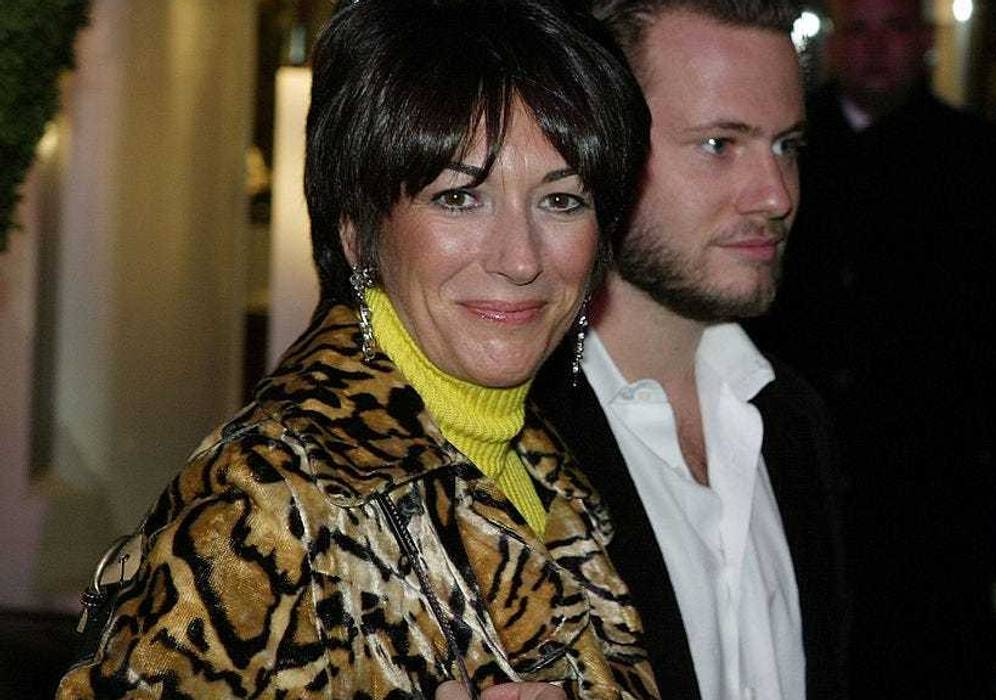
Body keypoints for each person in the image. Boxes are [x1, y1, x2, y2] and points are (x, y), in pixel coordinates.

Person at [55, 0, 656, 697]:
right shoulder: (269, 498)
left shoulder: (550, 470)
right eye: (459, 198)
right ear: (356, 231)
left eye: (561, 201)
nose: (521, 259)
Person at [532, 2, 848, 698]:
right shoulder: (511, 437)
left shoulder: (791, 422)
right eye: (718, 145)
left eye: (786, 146)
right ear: (597, 144)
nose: (774, 195)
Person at [755, 0, 996, 696]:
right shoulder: (782, 149)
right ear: (831, 43)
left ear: (921, 40)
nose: (874, 48)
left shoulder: (986, 158)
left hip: (935, 483)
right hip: (797, 468)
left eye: (892, 29)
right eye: (858, 30)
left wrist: (983, 447)